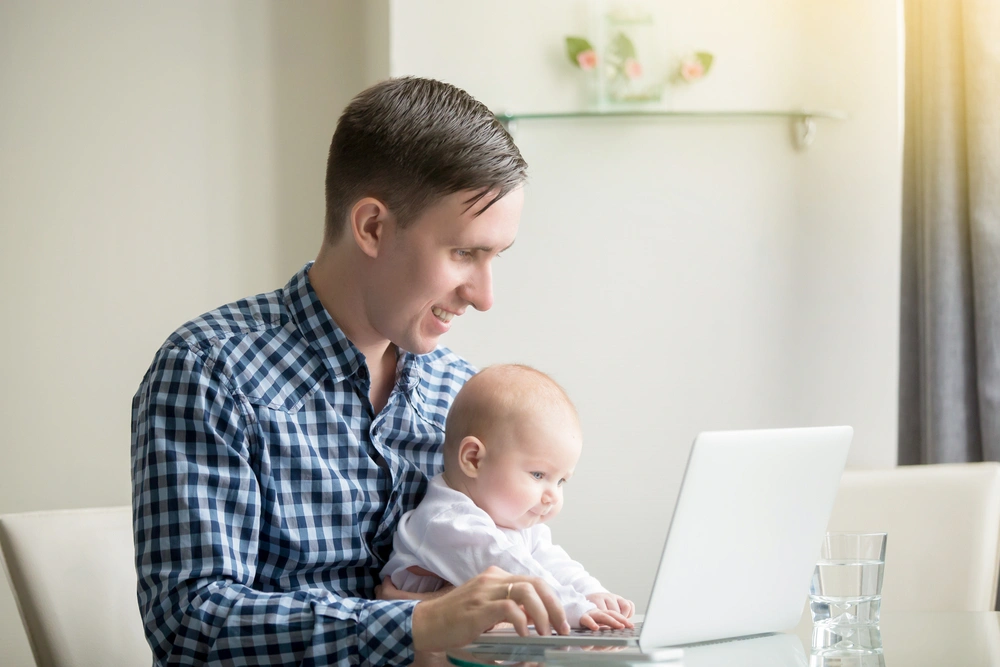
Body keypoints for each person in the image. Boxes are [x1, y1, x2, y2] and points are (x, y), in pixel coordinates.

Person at [130, 77, 573, 667]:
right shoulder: (211, 372)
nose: (484, 296)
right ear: (371, 227)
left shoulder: (463, 395)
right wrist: (415, 625)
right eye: (464, 253)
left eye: (495, 257)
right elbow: (190, 627)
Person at [381, 364, 635, 631]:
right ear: (474, 459)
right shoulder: (447, 521)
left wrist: (592, 594)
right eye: (538, 474)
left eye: (561, 481)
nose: (552, 496)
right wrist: (578, 609)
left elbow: (552, 561)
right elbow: (515, 572)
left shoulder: (514, 521)